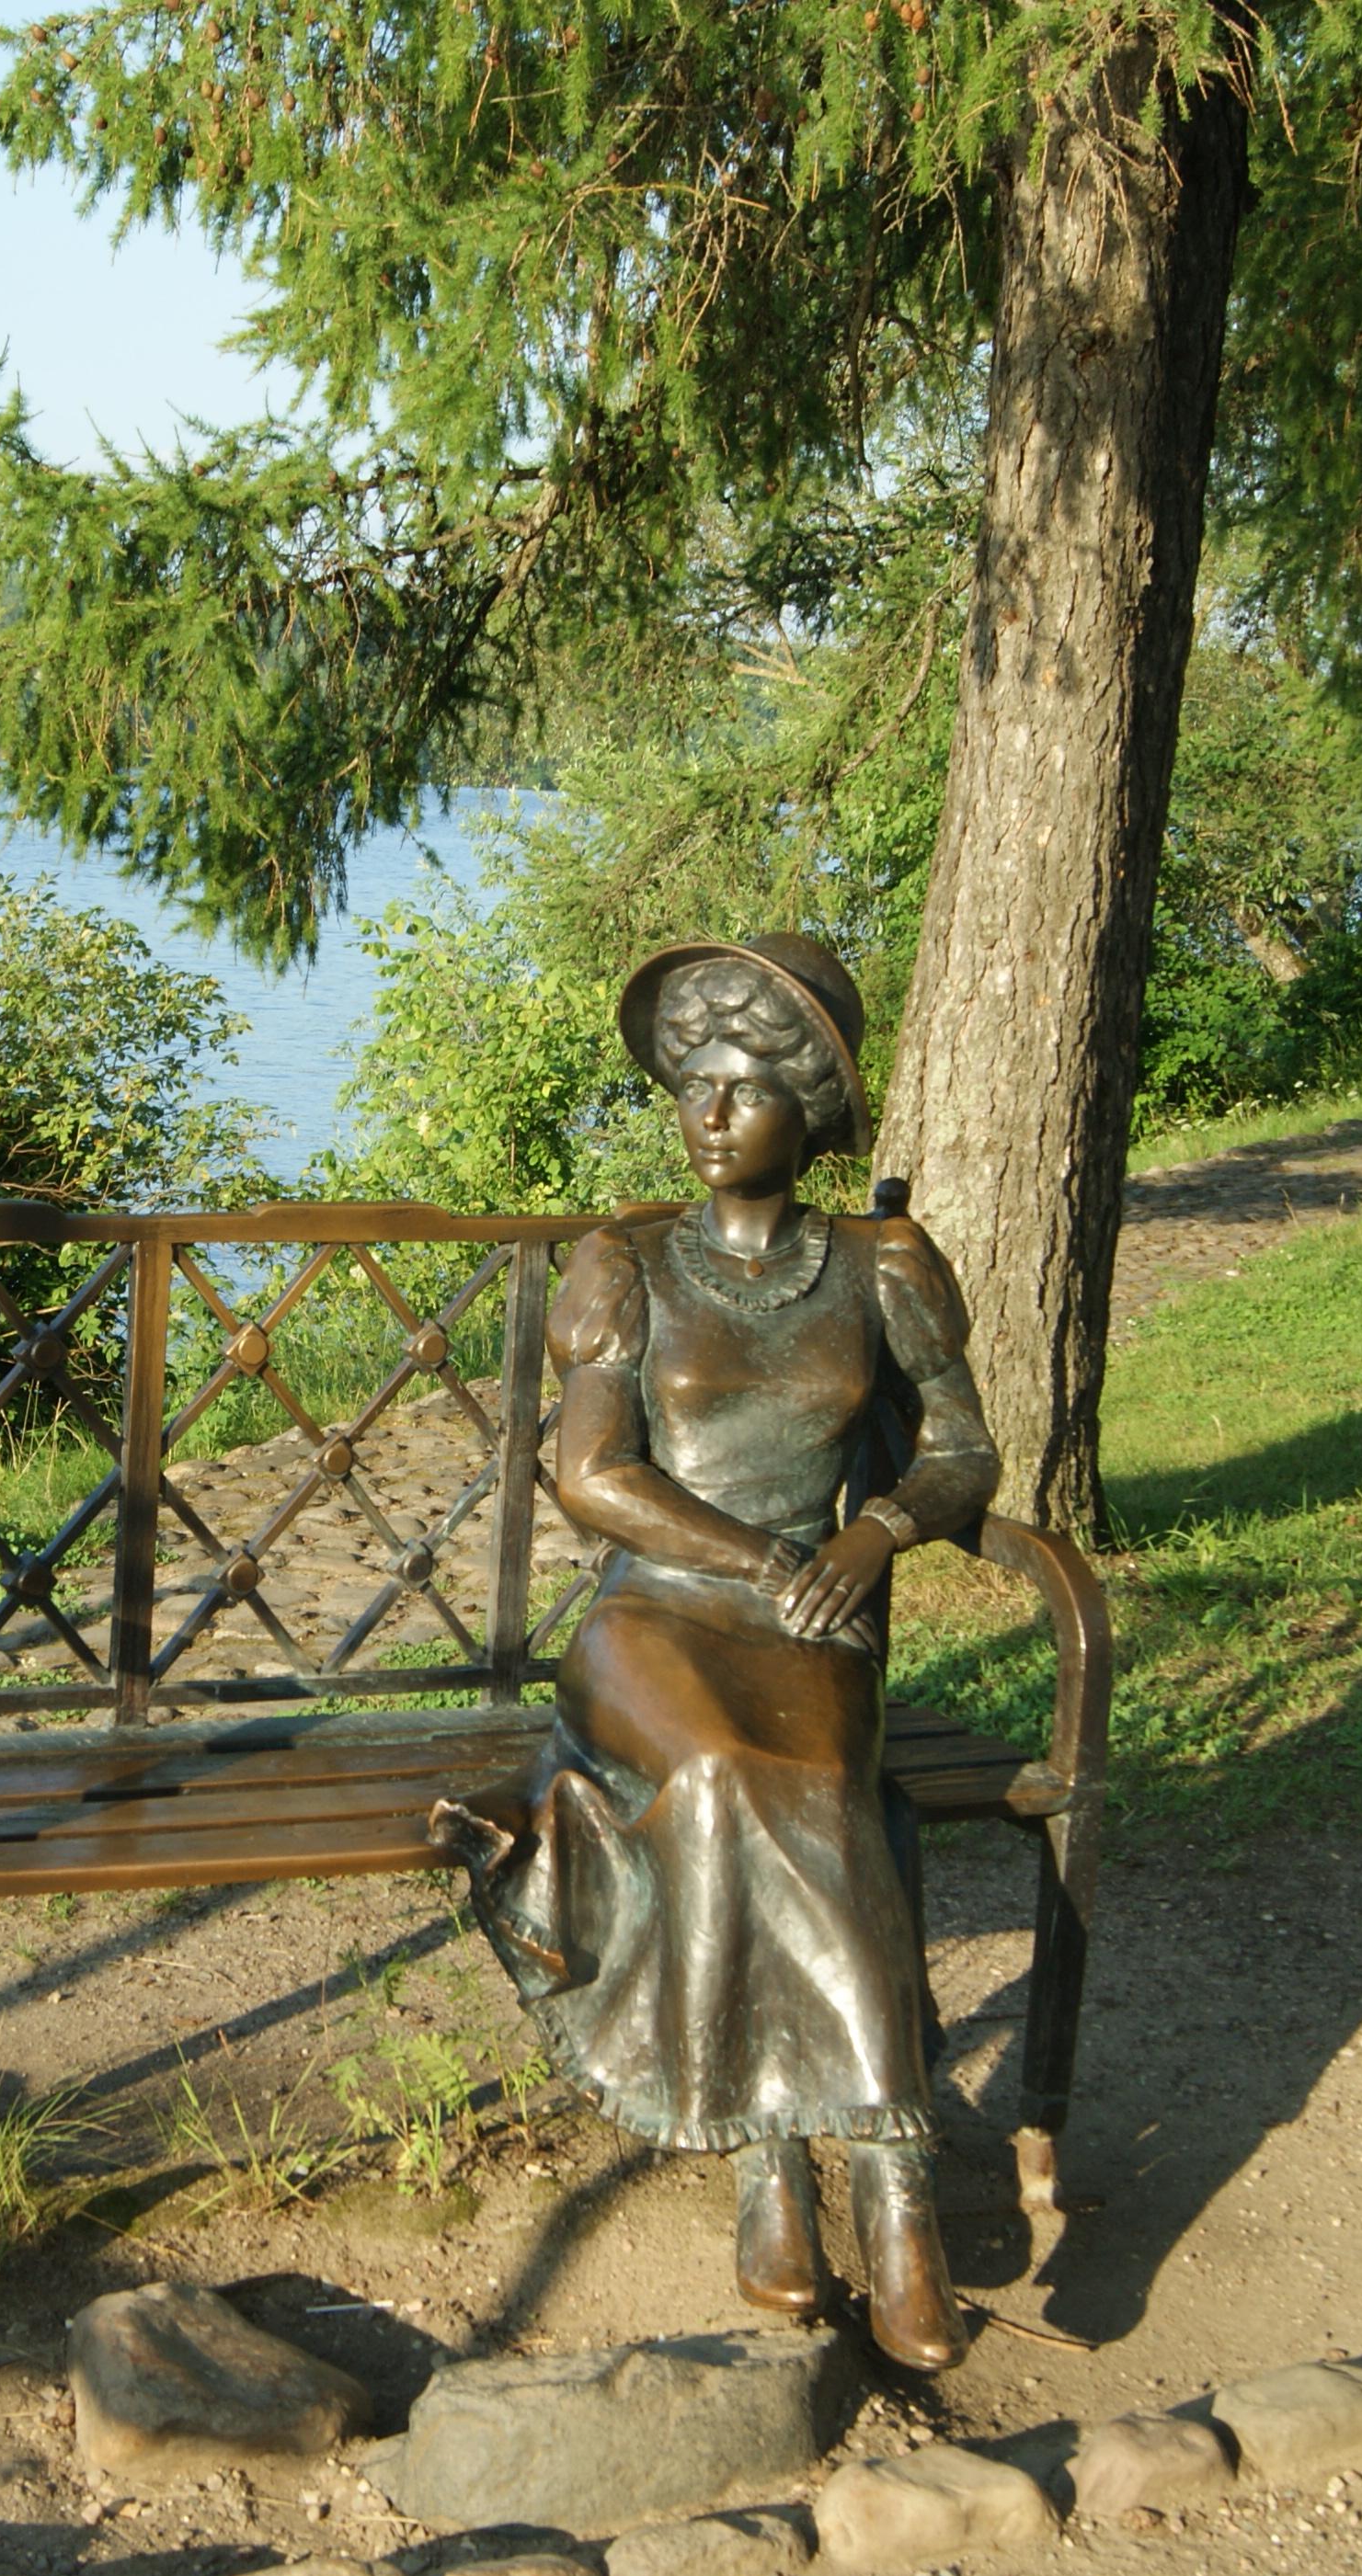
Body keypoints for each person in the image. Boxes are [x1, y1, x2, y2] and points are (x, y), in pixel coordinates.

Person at [441, 930, 997, 2372]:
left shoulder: (881, 1266)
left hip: (815, 1616)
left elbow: (963, 1448)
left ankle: (860, 2185)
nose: (709, 1112)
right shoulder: (624, 1265)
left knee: (815, 1785)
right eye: (694, 1085)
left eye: (746, 1089)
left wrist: (876, 1536)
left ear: (809, 1112)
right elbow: (593, 1477)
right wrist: (760, 1559)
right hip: (654, 1619)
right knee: (726, 1778)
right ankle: (805, 2168)